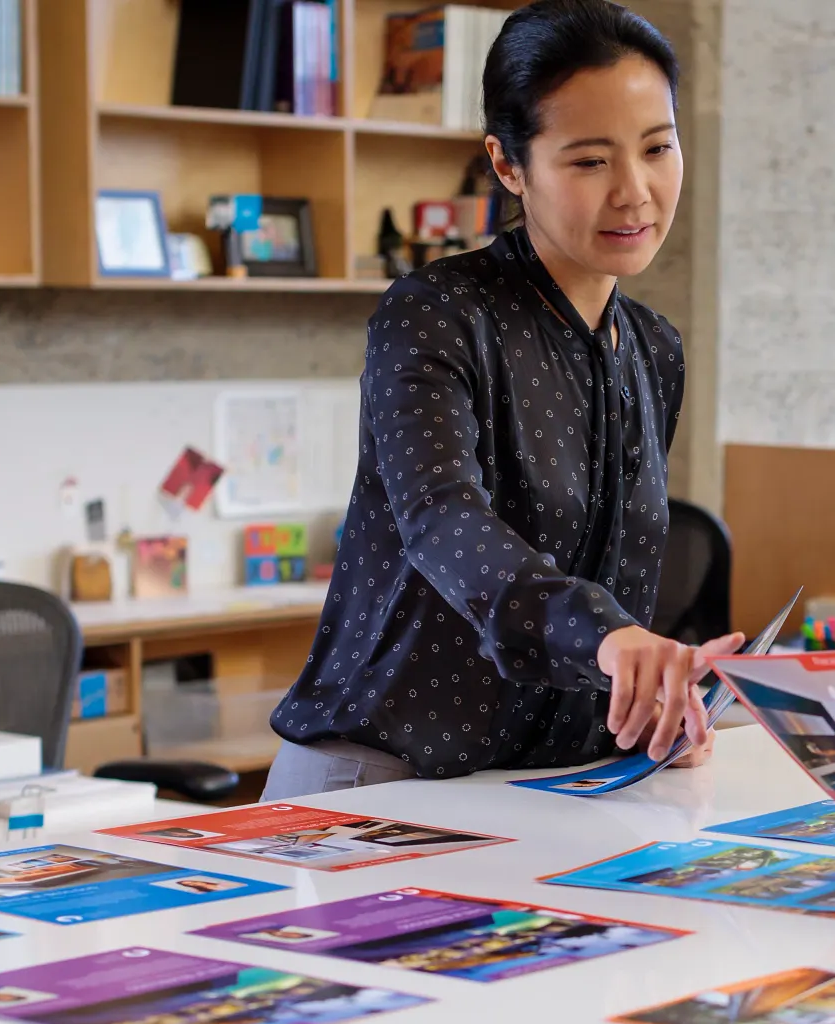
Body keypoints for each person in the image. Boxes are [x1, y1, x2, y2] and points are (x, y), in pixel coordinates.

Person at [266, 0, 736, 800]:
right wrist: (608, 636)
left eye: (657, 148)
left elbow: (613, 581)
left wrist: (652, 712)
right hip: (379, 783)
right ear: (509, 165)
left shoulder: (654, 348)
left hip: (548, 793)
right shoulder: (435, 313)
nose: (636, 191)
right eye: (590, 161)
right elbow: (447, 522)